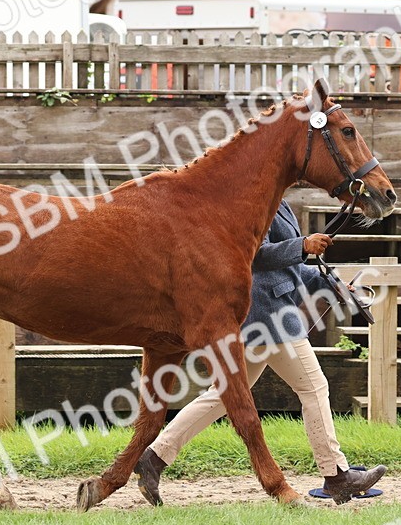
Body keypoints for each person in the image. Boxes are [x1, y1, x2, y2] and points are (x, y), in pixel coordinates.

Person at [134, 199, 387, 506]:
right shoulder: (251, 202)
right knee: (313, 387)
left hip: (264, 314)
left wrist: (331, 283)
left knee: (223, 395)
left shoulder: (279, 202)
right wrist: (303, 245)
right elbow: (258, 253)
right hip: (269, 315)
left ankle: (155, 457)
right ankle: (337, 476)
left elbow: (292, 268)